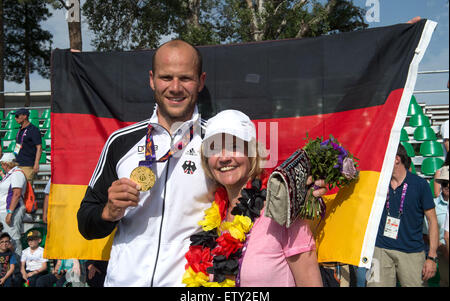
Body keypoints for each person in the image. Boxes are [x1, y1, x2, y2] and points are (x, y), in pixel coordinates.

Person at [77, 39, 326, 286]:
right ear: (152, 79)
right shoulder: (121, 142)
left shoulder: (217, 143)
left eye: (185, 78)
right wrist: (108, 212)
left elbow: (262, 188)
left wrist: (306, 190)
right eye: (166, 77)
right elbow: (86, 224)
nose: (175, 87)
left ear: (200, 82)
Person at [187, 109, 324, 287]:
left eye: (234, 147)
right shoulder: (209, 219)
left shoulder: (282, 210)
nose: (223, 158)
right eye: (213, 149)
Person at [367, 144, 439, 287]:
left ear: (396, 159)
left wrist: (431, 256)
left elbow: (432, 221)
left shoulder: (419, 184)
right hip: (380, 250)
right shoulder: (378, 183)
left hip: (411, 252)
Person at [424, 165, 449, 286]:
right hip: (441, 252)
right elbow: (425, 234)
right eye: (444, 183)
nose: (448, 186)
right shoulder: (432, 205)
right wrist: (442, 248)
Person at [0, 153, 27, 256]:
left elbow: (16, 194)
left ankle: (18, 265)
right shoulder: (10, 174)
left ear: (7, 164)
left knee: (13, 238)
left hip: (11, 210)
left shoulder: (17, 173)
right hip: (4, 210)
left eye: (2, 164)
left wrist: (10, 213)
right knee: (5, 239)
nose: (2, 166)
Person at [13, 108, 42, 183]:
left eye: (17, 116)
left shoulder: (33, 130)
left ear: (25, 116)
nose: (15, 118)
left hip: (28, 165)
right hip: (17, 164)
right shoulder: (20, 130)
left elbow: (39, 147)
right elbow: (18, 145)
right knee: (18, 189)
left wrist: (36, 163)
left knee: (27, 189)